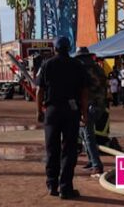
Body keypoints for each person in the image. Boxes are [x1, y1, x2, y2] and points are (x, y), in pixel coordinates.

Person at [36, 37, 88, 200]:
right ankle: (66, 187)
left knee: (52, 148)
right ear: (69, 48)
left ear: (55, 48)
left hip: (52, 110)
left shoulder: (47, 65)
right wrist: (84, 114)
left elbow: (39, 91)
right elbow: (84, 93)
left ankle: (52, 185)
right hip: (71, 111)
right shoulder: (77, 65)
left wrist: (39, 111)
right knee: (69, 149)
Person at [74, 47, 105, 175]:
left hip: (90, 106)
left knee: (87, 135)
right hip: (98, 105)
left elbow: (83, 89)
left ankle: (96, 164)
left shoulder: (84, 71)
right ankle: (92, 161)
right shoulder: (98, 68)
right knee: (83, 133)